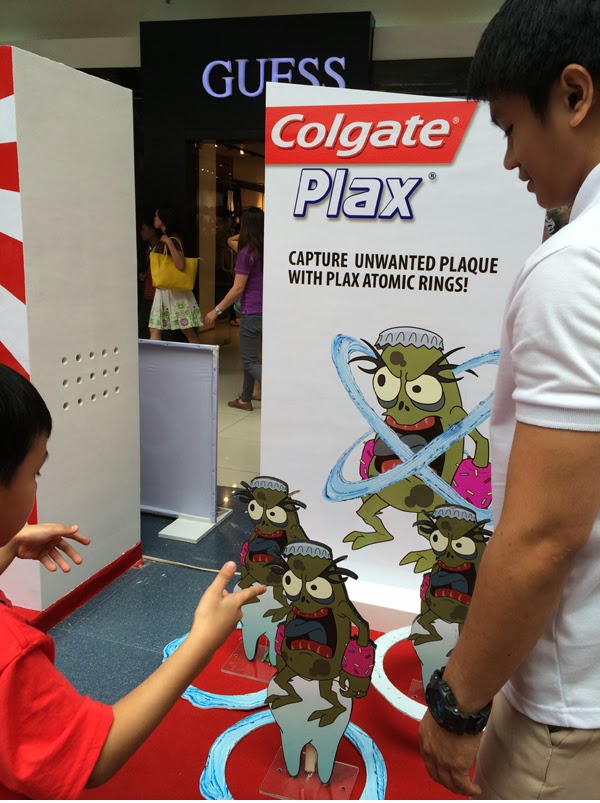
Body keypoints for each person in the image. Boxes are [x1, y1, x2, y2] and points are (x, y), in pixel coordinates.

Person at [418, 1, 600, 799]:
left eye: (510, 128)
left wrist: (457, 701)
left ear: (574, 95)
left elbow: (544, 535)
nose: (509, 159)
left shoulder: (575, 268)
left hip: (570, 712)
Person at [0, 364, 265, 798]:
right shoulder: (9, 656)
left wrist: (8, 546)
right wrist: (202, 639)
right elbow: (94, 755)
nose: (36, 487)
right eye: (35, 473)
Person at [205, 207, 264, 411]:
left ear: (245, 227)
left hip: (251, 311)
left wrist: (216, 311)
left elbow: (238, 288)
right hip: (266, 312)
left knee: (249, 361)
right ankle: (245, 399)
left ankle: (279, 389)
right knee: (252, 358)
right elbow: (232, 241)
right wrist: (257, 230)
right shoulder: (264, 250)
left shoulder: (246, 253)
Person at [148, 208, 202, 344]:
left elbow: (180, 264)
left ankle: (197, 354)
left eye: (156, 216)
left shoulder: (173, 239)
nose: (154, 218)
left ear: (163, 218)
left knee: (187, 329)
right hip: (164, 289)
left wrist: (169, 242)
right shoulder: (165, 238)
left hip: (174, 289)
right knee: (155, 328)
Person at [138, 218, 161, 338]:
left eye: (144, 229)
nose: (141, 233)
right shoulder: (147, 248)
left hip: (157, 294)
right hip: (147, 292)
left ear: (152, 231)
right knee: (145, 327)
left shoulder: (161, 247)